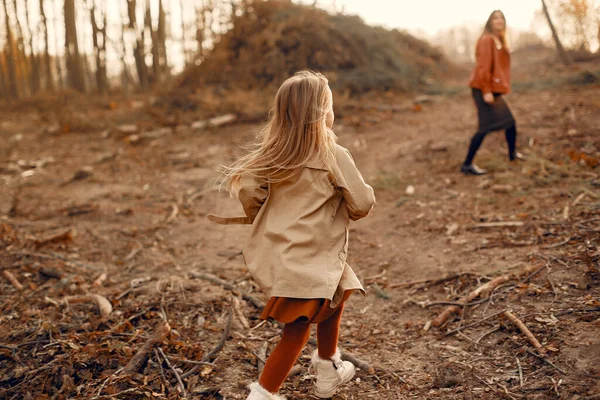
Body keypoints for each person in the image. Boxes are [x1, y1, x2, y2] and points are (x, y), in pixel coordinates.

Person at [209, 70, 376, 399]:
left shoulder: (273, 156)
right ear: (320, 113)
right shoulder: (332, 154)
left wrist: (265, 213)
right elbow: (362, 202)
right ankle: (262, 395)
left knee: (338, 291)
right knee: (296, 332)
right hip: (308, 258)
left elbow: (248, 192)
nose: (332, 112)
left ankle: (328, 368)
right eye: (329, 106)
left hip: (290, 254)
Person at [461, 10, 524, 175]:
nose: (499, 20)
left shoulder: (499, 40)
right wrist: (486, 91)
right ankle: (467, 164)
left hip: (491, 89)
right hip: (483, 88)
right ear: (489, 21)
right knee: (484, 127)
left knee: (510, 122)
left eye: (502, 17)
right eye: (495, 18)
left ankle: (512, 155)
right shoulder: (486, 40)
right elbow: (482, 67)